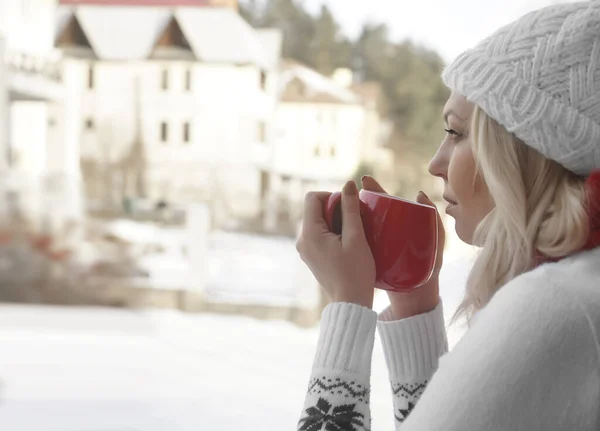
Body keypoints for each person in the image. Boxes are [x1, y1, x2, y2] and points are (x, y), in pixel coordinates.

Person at [295, 2, 600, 430]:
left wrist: (346, 307)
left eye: (456, 133)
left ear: (523, 154)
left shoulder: (552, 305)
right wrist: (414, 307)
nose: (435, 163)